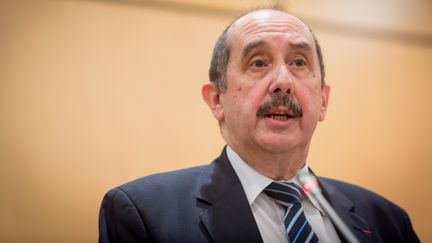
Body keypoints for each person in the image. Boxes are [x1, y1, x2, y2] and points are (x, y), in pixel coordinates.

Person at [98, 8, 420, 243]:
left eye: (298, 62)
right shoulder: (143, 216)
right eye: (258, 63)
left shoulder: (388, 222)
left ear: (323, 101)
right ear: (216, 100)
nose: (282, 82)